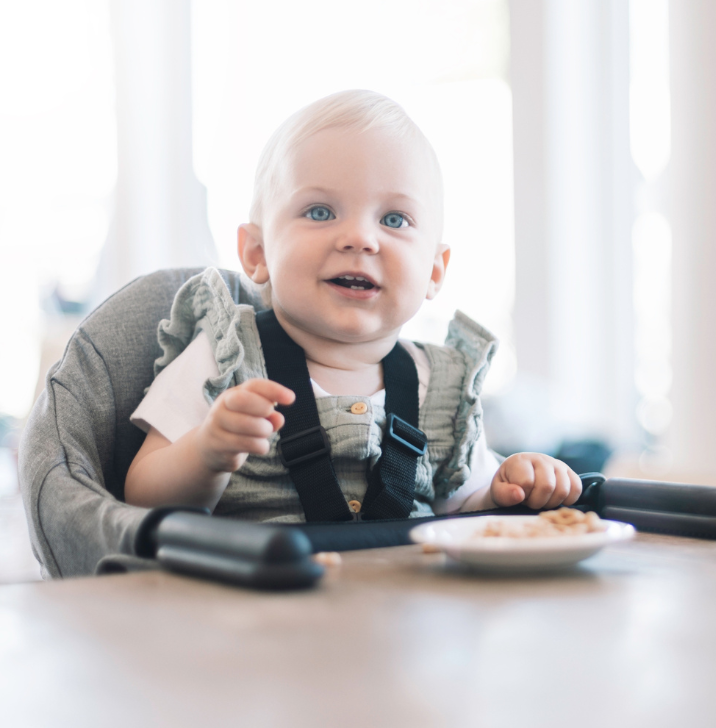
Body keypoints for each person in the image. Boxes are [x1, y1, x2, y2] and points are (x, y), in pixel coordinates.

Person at [125, 90, 582, 522]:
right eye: (321, 212)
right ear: (257, 253)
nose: (361, 238)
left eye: (394, 219)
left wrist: (507, 488)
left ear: (434, 272)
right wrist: (206, 453)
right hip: (259, 598)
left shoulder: (442, 390)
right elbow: (140, 496)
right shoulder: (223, 360)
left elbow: (460, 510)